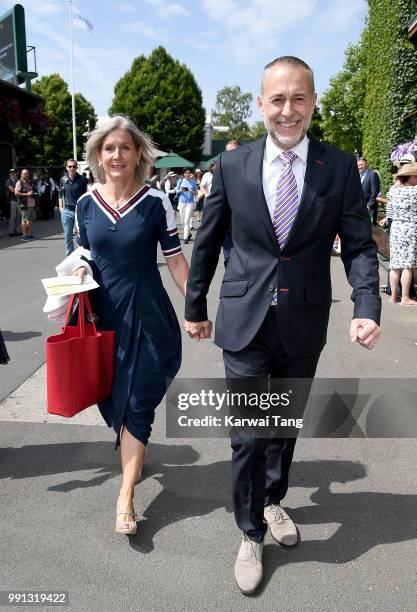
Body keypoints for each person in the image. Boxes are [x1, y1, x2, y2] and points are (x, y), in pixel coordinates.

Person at [184, 56, 381, 594]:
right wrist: (194, 305)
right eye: (278, 99)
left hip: (304, 319)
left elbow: (360, 247)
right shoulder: (231, 166)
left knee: (283, 426)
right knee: (248, 432)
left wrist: (367, 307)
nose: (287, 110)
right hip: (244, 318)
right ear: (261, 105)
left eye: (298, 99)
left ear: (313, 102)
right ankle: (250, 532)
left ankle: (273, 501)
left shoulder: (338, 168)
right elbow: (207, 241)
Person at [72, 115, 189, 536]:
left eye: (125, 147)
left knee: (138, 401)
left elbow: (175, 258)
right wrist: (78, 273)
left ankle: (125, 497)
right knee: (112, 398)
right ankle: (132, 451)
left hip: (148, 312)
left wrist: (195, 306)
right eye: (108, 148)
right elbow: (82, 254)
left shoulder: (157, 201)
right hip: (103, 316)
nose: (117, 155)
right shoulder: (85, 204)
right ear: (98, 156)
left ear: (138, 153)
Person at [383, 162, 417, 305]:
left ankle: (393, 297)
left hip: (396, 227)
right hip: (410, 228)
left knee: (395, 264)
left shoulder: (393, 191)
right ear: (410, 177)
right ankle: (405, 297)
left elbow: (389, 213)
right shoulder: (415, 192)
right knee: (408, 265)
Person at [59, 159, 88, 255]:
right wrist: (61, 209)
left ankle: (81, 255)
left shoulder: (82, 180)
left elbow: (86, 196)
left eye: (74, 166)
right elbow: (60, 195)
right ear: (66, 167)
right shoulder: (63, 179)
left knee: (81, 235)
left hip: (78, 211)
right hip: (66, 210)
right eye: (70, 166)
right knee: (68, 236)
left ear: (77, 167)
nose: (72, 168)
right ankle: (70, 256)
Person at [223, 141, 241, 266]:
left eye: (234, 151)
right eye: (228, 152)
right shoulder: (221, 172)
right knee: (229, 259)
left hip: (248, 226)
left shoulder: (254, 170)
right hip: (227, 225)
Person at [176, 168, 198, 243]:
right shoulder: (180, 181)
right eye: (186, 173)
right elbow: (176, 191)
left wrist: (191, 191)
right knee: (182, 220)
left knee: (187, 220)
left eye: (189, 173)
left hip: (190, 202)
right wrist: (181, 190)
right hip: (181, 202)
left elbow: (196, 192)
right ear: (183, 174)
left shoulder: (193, 182)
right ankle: (188, 234)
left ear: (190, 174)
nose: (187, 174)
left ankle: (185, 238)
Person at [357, 157, 380, 225]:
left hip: (369, 207)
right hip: (359, 206)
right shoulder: (358, 175)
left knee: (369, 228)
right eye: (358, 165)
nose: (359, 167)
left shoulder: (372, 174)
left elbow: (375, 192)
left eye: (361, 164)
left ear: (366, 165)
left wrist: (369, 205)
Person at [15, 168, 36, 241]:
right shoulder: (19, 182)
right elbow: (16, 193)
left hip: (31, 204)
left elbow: (31, 191)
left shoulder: (29, 182)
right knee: (24, 220)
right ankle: (24, 236)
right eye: (25, 173)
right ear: (21, 174)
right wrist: (27, 194)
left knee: (30, 220)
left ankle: (29, 235)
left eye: (27, 173)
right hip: (24, 205)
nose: (26, 174)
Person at [5, 169, 21, 237]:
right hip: (12, 201)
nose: (13, 174)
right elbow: (12, 189)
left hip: (19, 200)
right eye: (12, 173)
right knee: (12, 217)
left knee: (18, 217)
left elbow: (22, 188)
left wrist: (19, 190)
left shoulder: (18, 181)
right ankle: (11, 232)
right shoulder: (8, 181)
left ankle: (17, 231)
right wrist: (19, 191)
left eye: (14, 173)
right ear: (10, 174)